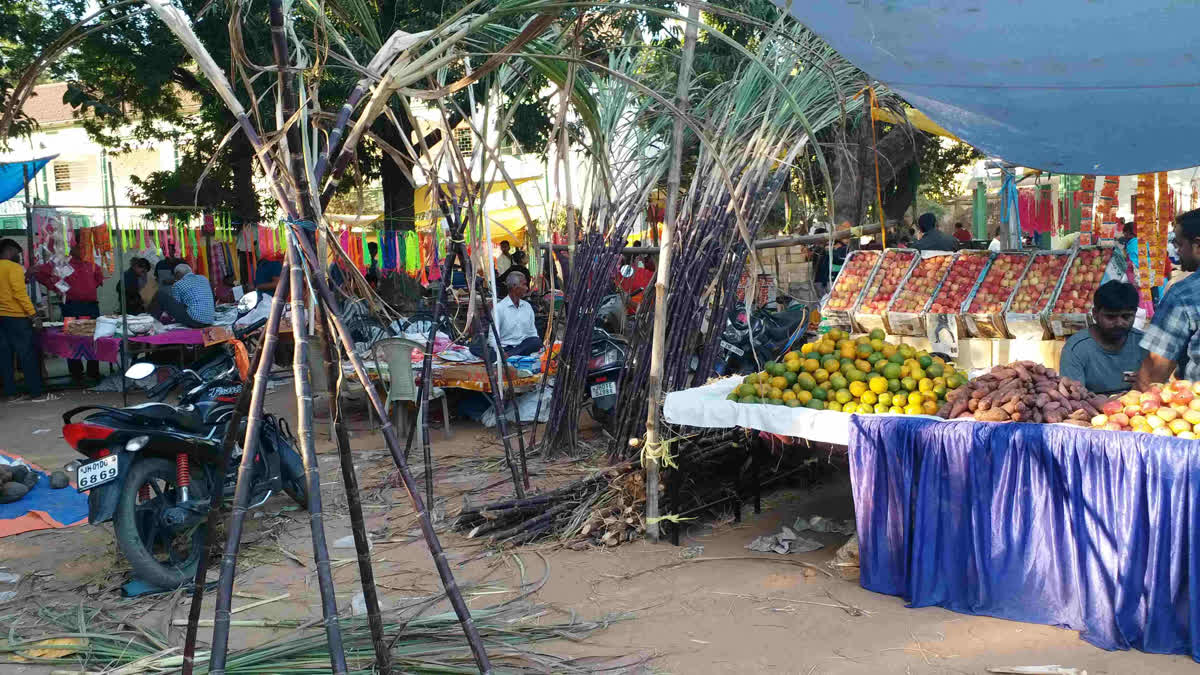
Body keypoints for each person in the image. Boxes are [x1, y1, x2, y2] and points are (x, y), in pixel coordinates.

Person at [1137, 209, 1200, 390]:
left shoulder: (1183, 295)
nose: (1177, 251)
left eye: (1179, 244)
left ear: (1197, 245)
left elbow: (1154, 371)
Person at [35, 235, 105, 382]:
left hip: (90, 306)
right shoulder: (63, 262)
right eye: (80, 247)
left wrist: (86, 290)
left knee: (92, 340)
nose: (83, 250)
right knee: (74, 341)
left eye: (85, 247)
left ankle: (93, 372)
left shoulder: (91, 263)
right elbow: (41, 274)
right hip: (72, 306)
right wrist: (56, 287)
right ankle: (76, 374)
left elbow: (99, 279)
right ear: (72, 247)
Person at [1059, 281, 1144, 394]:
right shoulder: (1076, 349)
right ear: (1095, 314)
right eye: (1110, 317)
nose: (1119, 323)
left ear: (1135, 314)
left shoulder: (1144, 344)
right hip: (1094, 409)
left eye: (1126, 316)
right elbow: (1074, 397)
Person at [0, 239, 45, 401]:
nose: (18, 257)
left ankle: (10, 393)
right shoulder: (14, 267)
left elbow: (6, 287)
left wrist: (25, 277)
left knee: (4, 356)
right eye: (17, 253)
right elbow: (19, 293)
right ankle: (35, 392)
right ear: (10, 250)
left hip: (1, 318)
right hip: (16, 317)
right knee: (27, 354)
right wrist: (34, 315)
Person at [471, 271, 541, 359]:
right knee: (475, 348)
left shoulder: (527, 307)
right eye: (524, 285)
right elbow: (493, 337)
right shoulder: (499, 308)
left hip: (523, 347)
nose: (527, 288)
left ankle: (507, 356)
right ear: (514, 287)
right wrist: (500, 351)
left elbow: (533, 333)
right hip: (505, 348)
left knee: (536, 341)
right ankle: (506, 355)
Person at [156, 263, 215, 328]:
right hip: (210, 320)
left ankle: (154, 320)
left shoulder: (178, 284)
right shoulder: (204, 278)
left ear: (178, 274)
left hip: (195, 321)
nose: (175, 278)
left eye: (175, 275)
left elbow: (178, 305)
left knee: (160, 295)